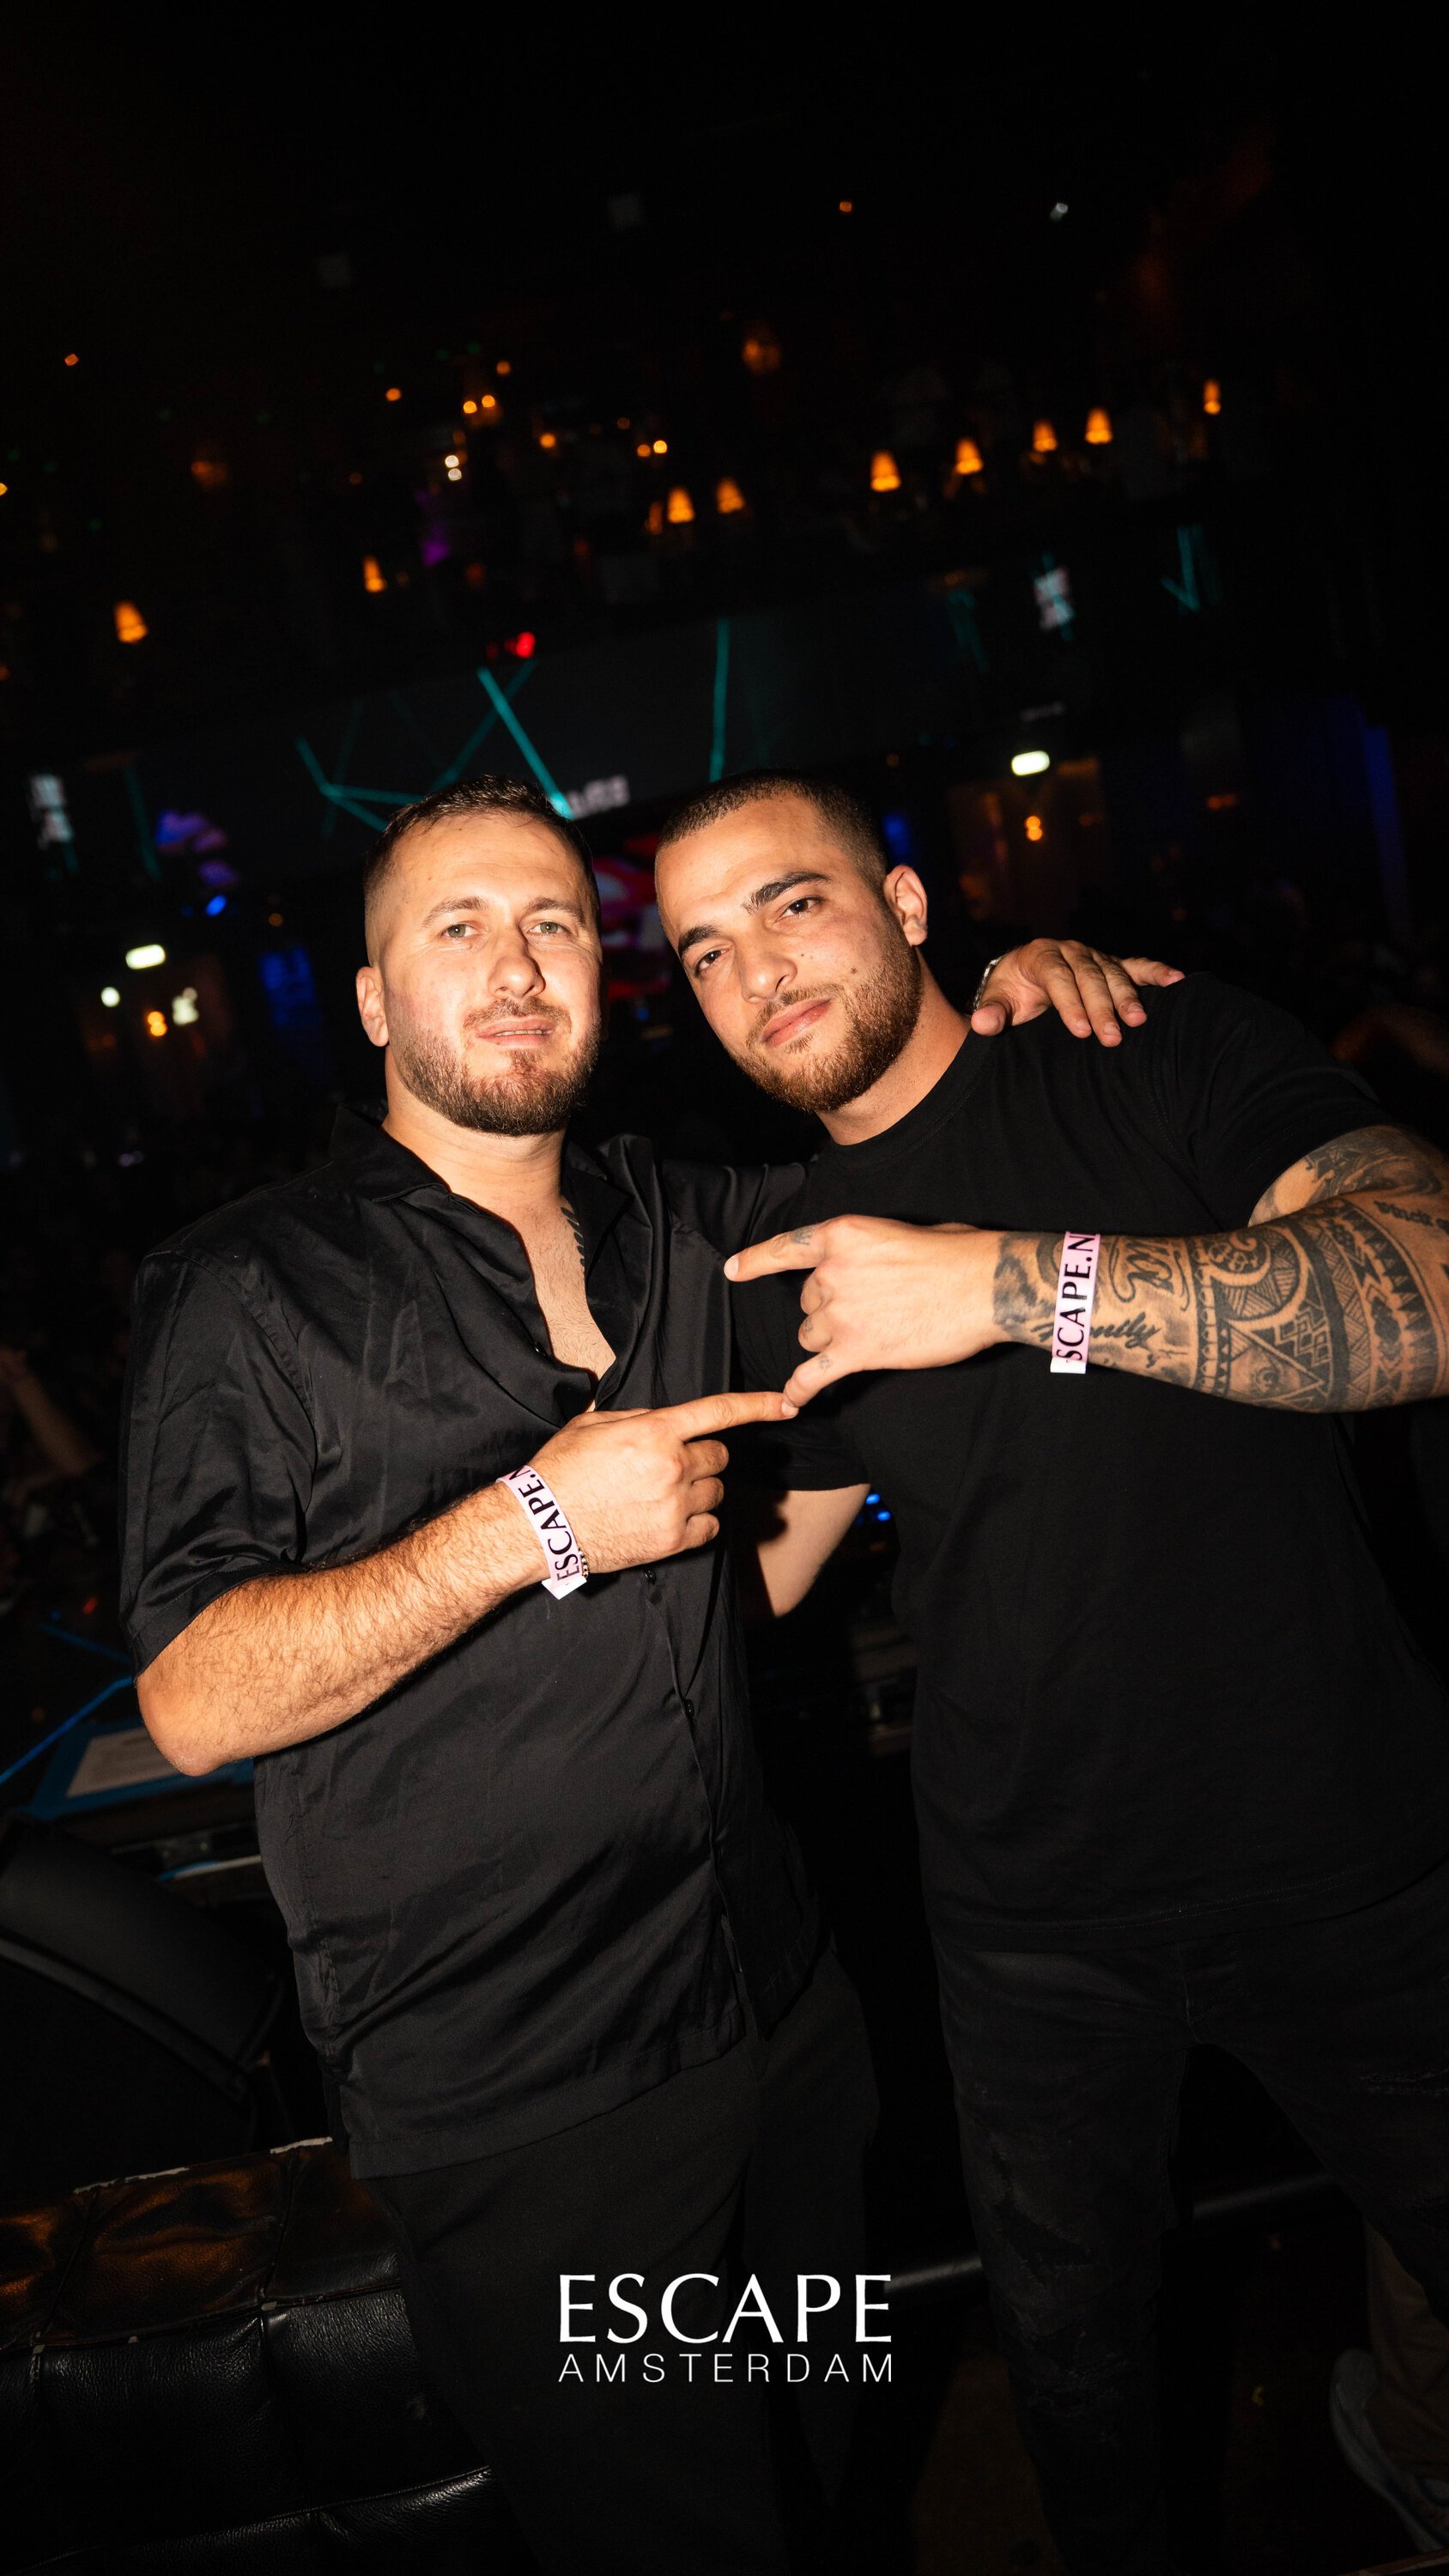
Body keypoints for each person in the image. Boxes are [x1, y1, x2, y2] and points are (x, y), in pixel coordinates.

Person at [118, 772, 1146, 2575]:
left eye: (554, 927)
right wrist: (536, 1522)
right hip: (530, 2118)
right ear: (374, 1002)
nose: (517, 967)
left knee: (828, 2479)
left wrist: (1006, 989)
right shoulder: (251, 1289)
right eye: (458, 929)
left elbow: (913, 1186)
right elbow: (194, 1699)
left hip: (785, 2036)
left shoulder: (681, 1221)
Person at [652, 768, 1449, 2576]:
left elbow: (1426, 1279)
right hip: (1032, 1930)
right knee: (1090, 2429)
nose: (756, 971)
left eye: (792, 902)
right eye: (701, 951)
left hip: (1351, 1853)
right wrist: (543, 1555)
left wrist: (1021, 1288)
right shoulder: (781, 1247)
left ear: (908, 905)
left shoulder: (1140, 1048)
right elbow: (772, 1567)